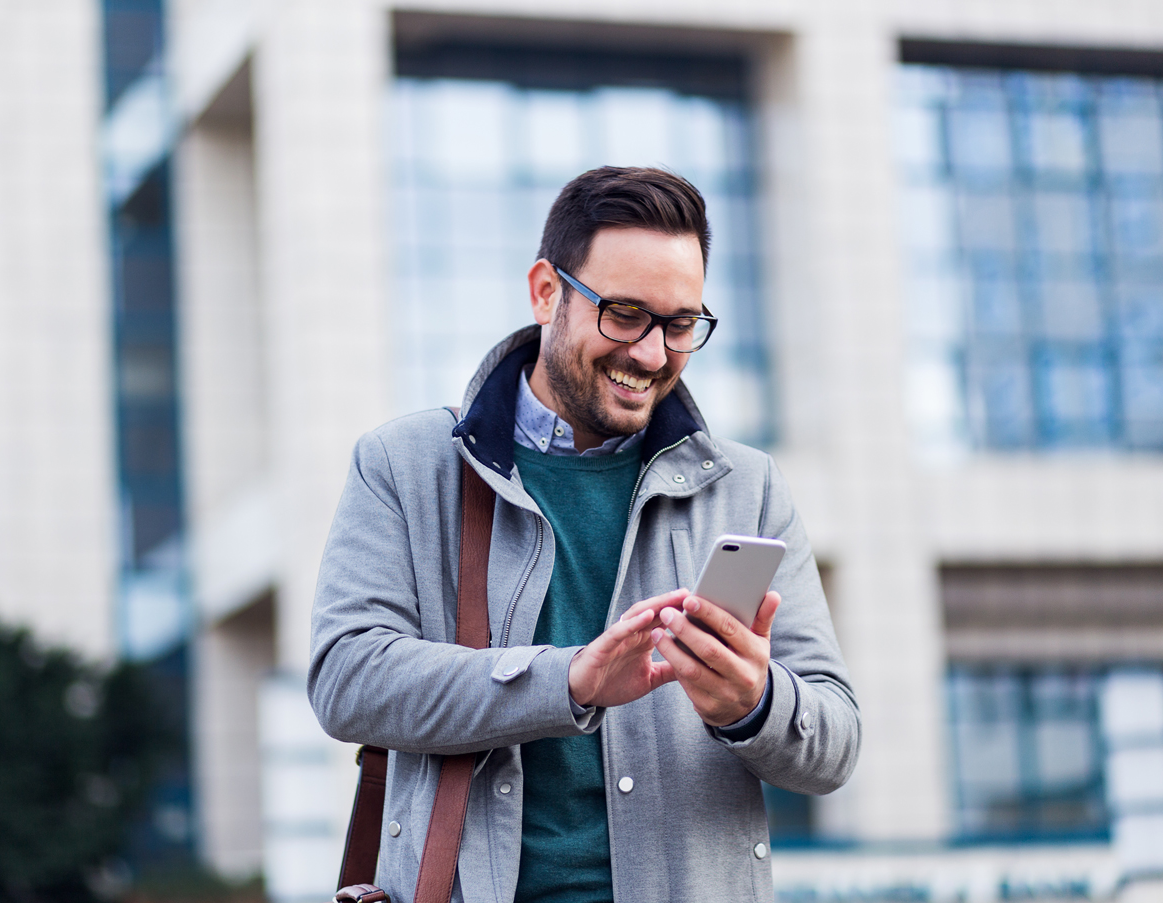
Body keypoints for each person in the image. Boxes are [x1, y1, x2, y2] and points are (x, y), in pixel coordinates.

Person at [308, 166, 860, 903]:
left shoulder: (746, 487)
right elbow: (347, 677)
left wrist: (752, 704)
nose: (652, 354)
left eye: (680, 324)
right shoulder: (403, 465)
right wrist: (567, 680)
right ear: (546, 291)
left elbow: (836, 743)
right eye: (625, 313)